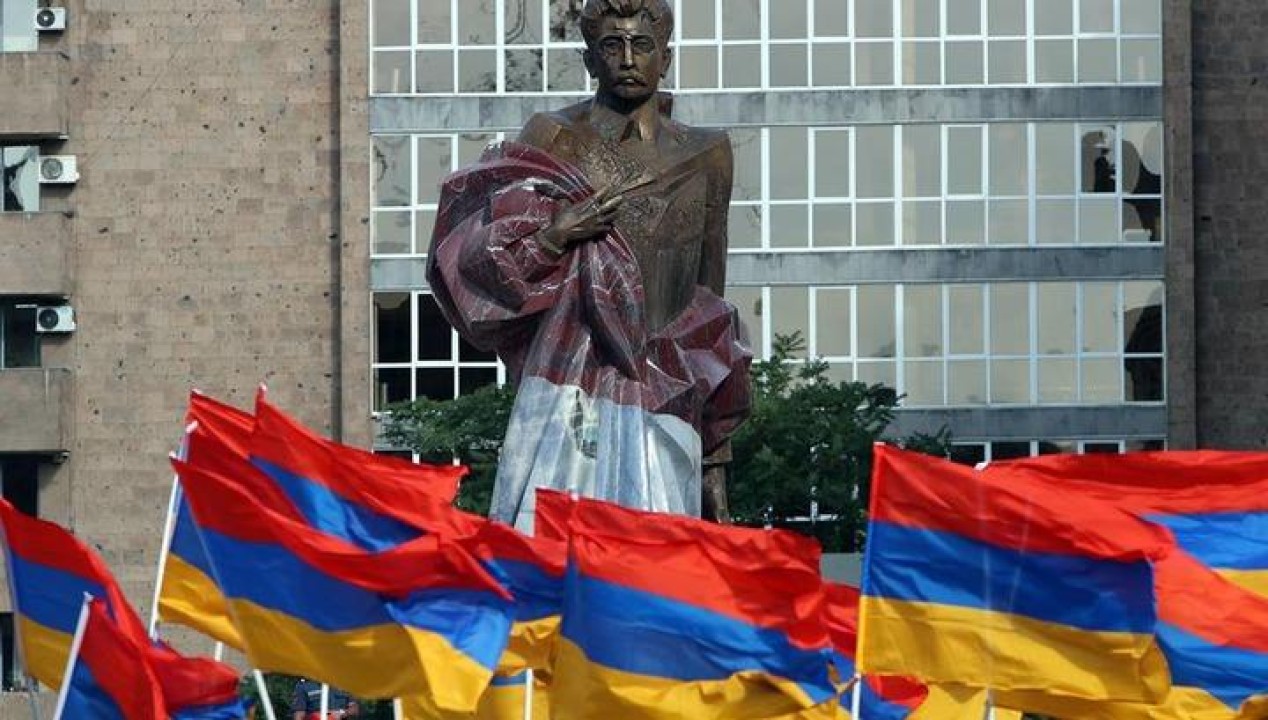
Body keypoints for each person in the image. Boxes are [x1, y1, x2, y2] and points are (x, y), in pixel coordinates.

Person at [427, 0, 750, 530]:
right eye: (611, 45)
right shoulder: (553, 138)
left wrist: (715, 456)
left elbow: (708, 305)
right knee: (549, 547)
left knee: (656, 558)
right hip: (570, 385)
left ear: (666, 58)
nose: (628, 60)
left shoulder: (707, 153)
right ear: (589, 59)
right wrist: (555, 234)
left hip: (664, 394)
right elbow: (482, 258)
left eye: (642, 45)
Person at [290, 678, 359, 720]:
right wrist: (327, 715)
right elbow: (299, 715)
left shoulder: (346, 684)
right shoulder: (304, 686)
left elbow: (354, 709)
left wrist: (342, 713)